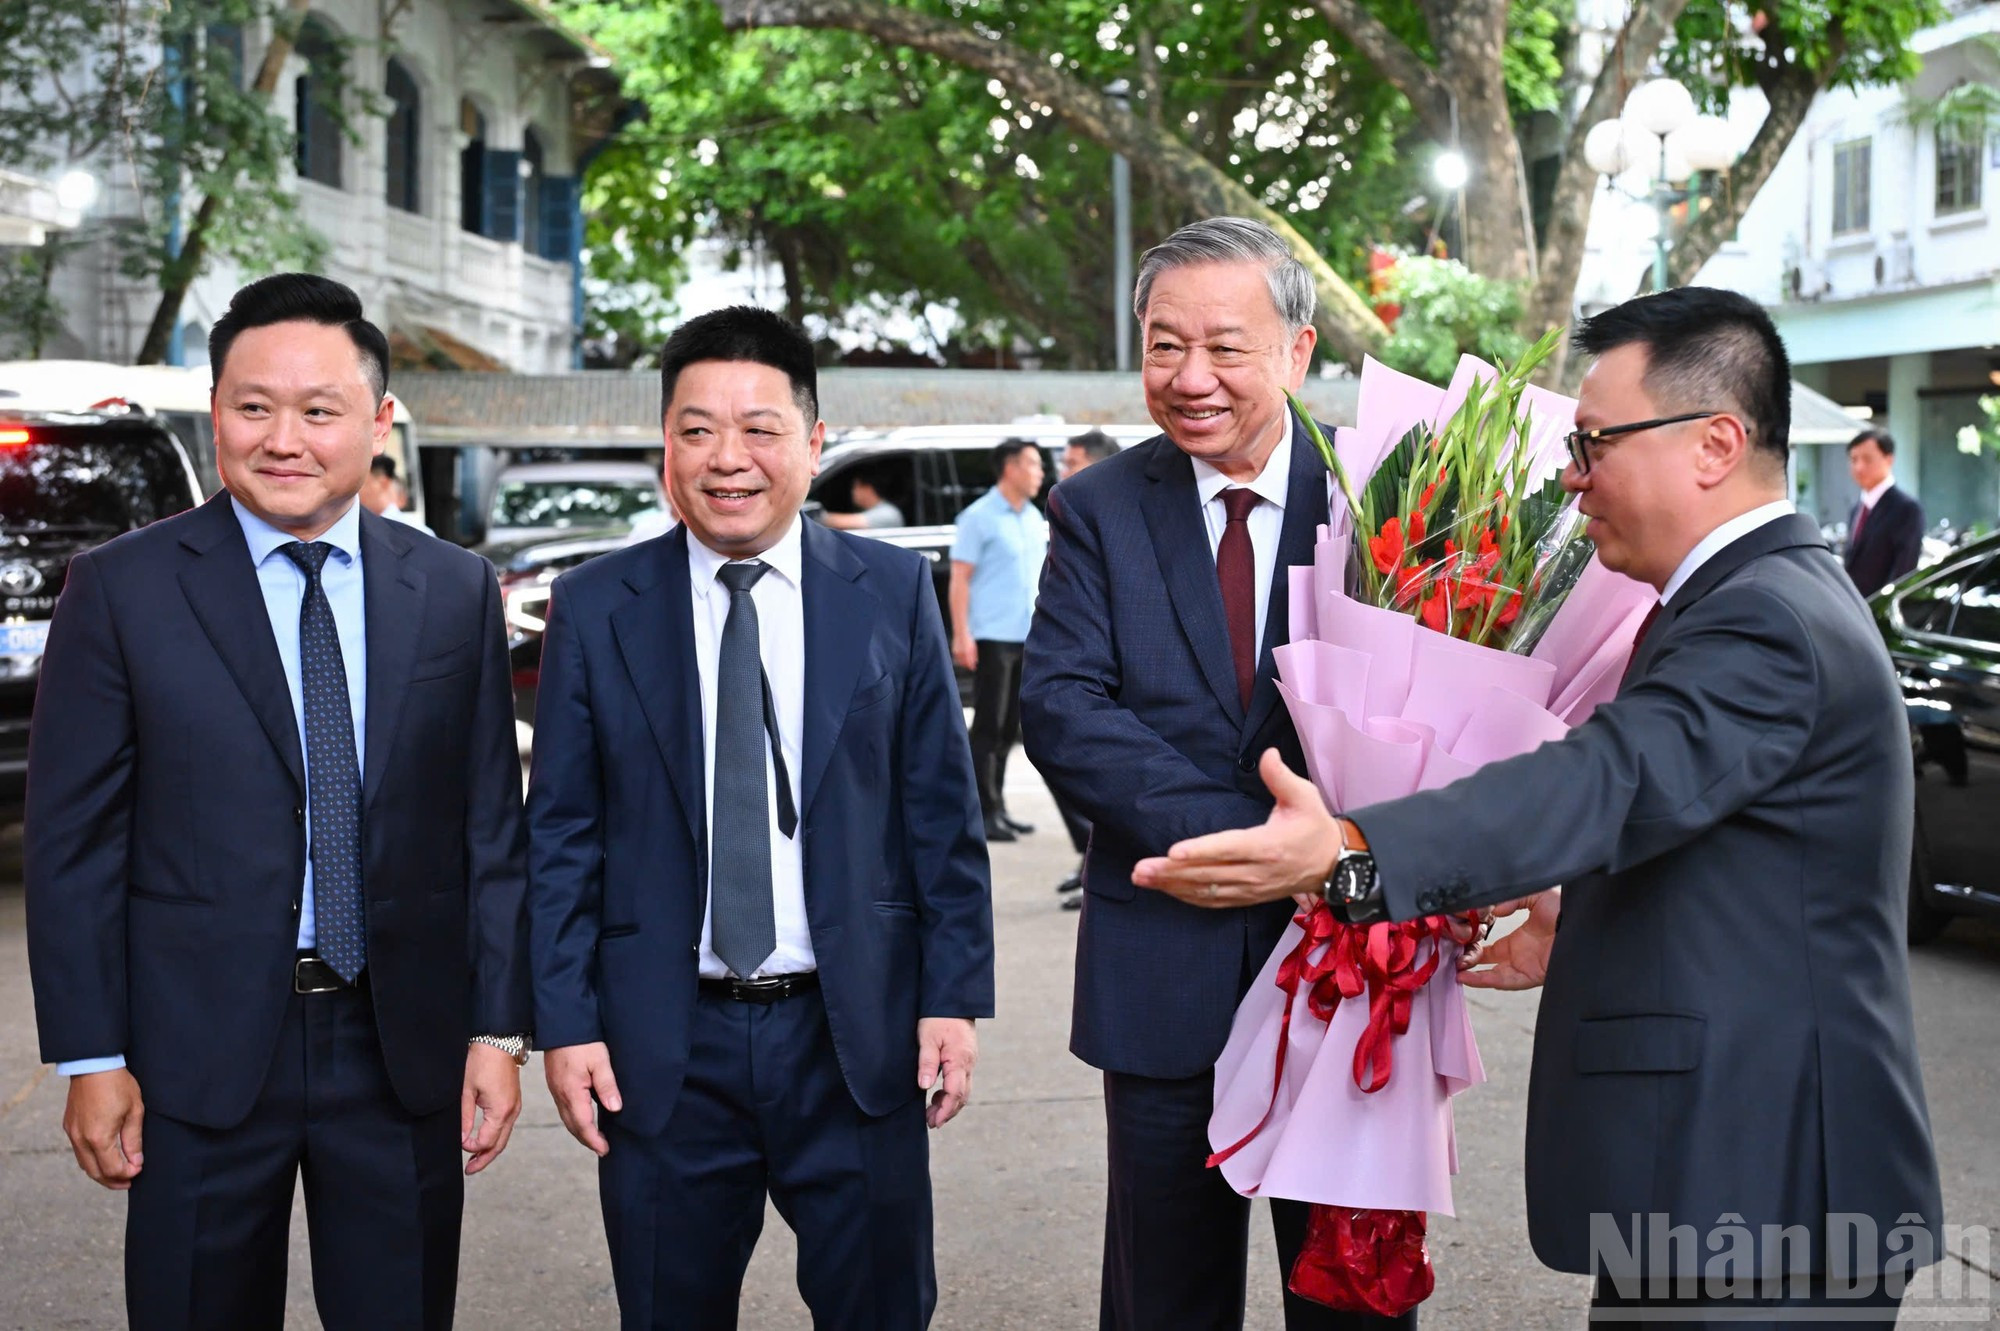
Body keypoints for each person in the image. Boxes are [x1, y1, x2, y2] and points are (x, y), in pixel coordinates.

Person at [1135, 287, 1943, 1326]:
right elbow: (1689, 817)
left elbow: (1603, 777)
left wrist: (1352, 849)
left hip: (1765, 1185)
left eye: (1594, 444)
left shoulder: (1766, 620)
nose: (1571, 476)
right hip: (1727, 1179)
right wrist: (1581, 902)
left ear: (1713, 443)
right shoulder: (1750, 599)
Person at [25, 273, 532, 1331]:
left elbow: (487, 827)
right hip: (194, 1049)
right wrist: (91, 1054)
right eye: (254, 406)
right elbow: (74, 844)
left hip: (398, 1043)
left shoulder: (450, 590)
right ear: (216, 411)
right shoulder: (120, 588)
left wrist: (497, 1027)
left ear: (377, 423)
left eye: (318, 409)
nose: (284, 438)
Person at [526, 305, 994, 1331]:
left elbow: (939, 813)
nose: (727, 458)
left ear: (813, 442)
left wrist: (951, 997)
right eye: (696, 430)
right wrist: (565, 1020)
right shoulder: (596, 605)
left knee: (879, 1307)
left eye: (759, 428)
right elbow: (561, 830)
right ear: (664, 444)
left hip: (853, 1033)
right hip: (662, 1046)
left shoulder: (888, 591)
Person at [1019, 218, 1387, 1331]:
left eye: (1225, 347)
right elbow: (1063, 708)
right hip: (1162, 969)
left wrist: (1332, 859)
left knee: (1351, 1294)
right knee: (1165, 1293)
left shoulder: (1381, 491)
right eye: (1163, 345)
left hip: (1349, 961)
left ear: (1298, 351)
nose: (1190, 378)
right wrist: (1259, 842)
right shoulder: (1096, 506)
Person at [951, 437, 1048, 843]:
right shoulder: (979, 517)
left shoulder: (1033, 516)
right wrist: (962, 634)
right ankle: (982, 811)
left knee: (1010, 728)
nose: (1041, 473)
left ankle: (999, 807)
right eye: (1034, 464)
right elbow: (960, 578)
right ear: (1011, 467)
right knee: (988, 727)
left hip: (1028, 636)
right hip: (992, 637)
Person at [1052, 429, 1119, 910]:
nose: (1061, 472)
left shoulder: (1123, 516)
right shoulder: (1074, 510)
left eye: (1071, 462)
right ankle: (1087, 859)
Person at [1842, 427, 1924, 593]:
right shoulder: (1856, 510)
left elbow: (1904, 573)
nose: (1859, 467)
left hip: (1881, 605)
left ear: (1889, 459)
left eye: (1867, 459)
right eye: (1854, 459)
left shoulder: (1906, 509)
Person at [360, 453, 435, 534]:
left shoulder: (414, 531)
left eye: (362, 483)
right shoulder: (359, 527)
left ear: (383, 482)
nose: (356, 490)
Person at [821, 467, 906, 529]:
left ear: (867, 488)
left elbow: (845, 522)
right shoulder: (873, 510)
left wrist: (818, 517)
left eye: (855, 487)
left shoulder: (888, 513)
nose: (852, 492)